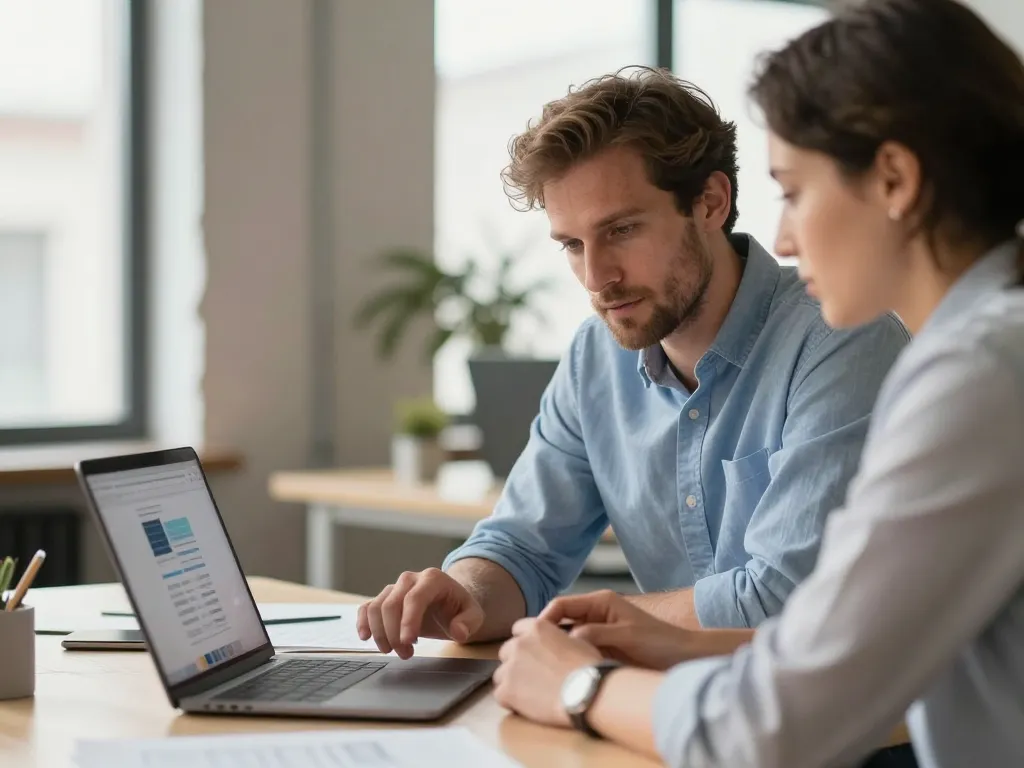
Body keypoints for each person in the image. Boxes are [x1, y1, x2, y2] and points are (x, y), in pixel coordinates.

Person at [489, 1, 1024, 766]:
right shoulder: (994, 347)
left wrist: (583, 687)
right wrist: (659, 640)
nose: (782, 237)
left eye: (795, 190)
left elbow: (774, 728)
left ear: (896, 179)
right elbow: (847, 646)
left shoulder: (977, 379)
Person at [356, 68, 909, 656]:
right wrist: (464, 593)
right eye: (572, 245)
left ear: (711, 203)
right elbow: (522, 548)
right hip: (677, 709)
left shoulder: (841, 337)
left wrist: (575, 626)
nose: (596, 278)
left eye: (621, 229)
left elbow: (787, 600)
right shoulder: (594, 359)